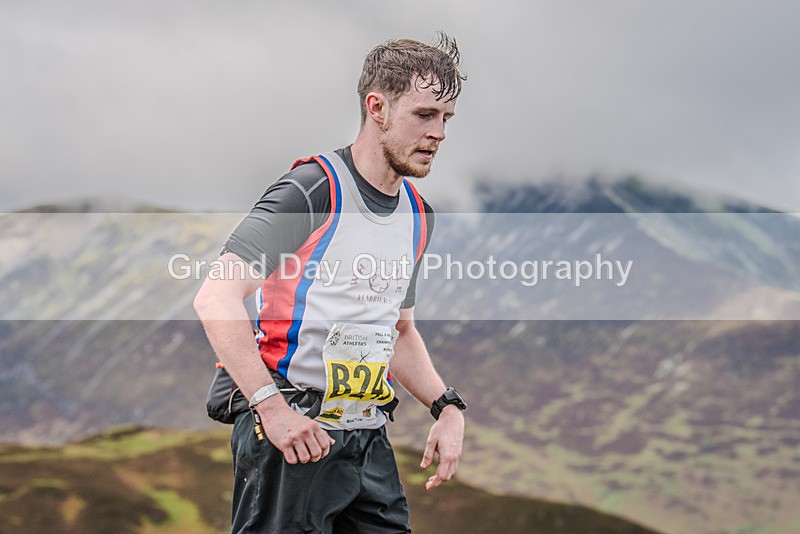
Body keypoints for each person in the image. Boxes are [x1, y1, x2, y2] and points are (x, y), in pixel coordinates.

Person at [194, 32, 468, 533]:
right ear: (377, 107)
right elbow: (215, 297)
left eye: (447, 119)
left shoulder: (418, 216)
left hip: (367, 434)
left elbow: (399, 332)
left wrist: (445, 408)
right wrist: (272, 412)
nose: (440, 133)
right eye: (425, 115)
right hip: (291, 426)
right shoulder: (311, 190)